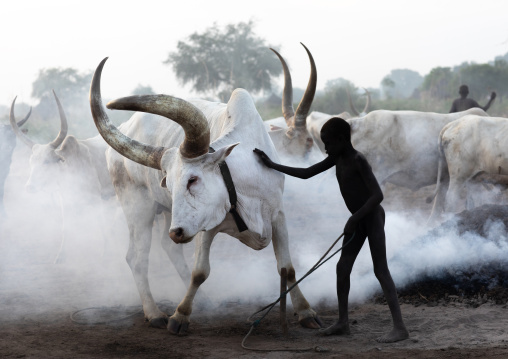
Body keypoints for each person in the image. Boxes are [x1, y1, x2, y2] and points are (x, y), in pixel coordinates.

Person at [253, 117, 409, 343]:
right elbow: (307, 173)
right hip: (357, 220)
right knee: (342, 267)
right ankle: (343, 323)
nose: (325, 148)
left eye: (328, 143)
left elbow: (378, 196)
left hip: (372, 217)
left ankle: (400, 328)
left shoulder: (358, 160)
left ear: (342, 139)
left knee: (380, 270)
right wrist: (272, 165)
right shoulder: (337, 157)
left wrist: (355, 218)